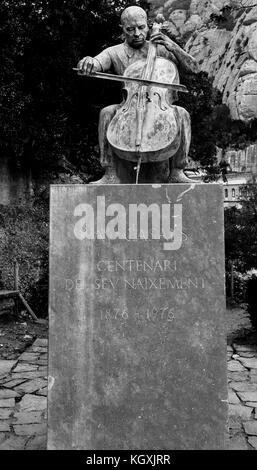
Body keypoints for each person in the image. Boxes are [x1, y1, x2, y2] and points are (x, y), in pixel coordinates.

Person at [77, 6, 198, 183]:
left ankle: (177, 172)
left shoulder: (161, 48)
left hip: (158, 105)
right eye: (130, 29)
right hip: (129, 106)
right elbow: (96, 62)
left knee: (182, 114)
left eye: (141, 27)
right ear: (122, 29)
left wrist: (173, 47)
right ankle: (109, 174)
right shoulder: (114, 52)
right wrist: (88, 62)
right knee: (106, 112)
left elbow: (194, 68)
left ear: (148, 26)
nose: (136, 33)